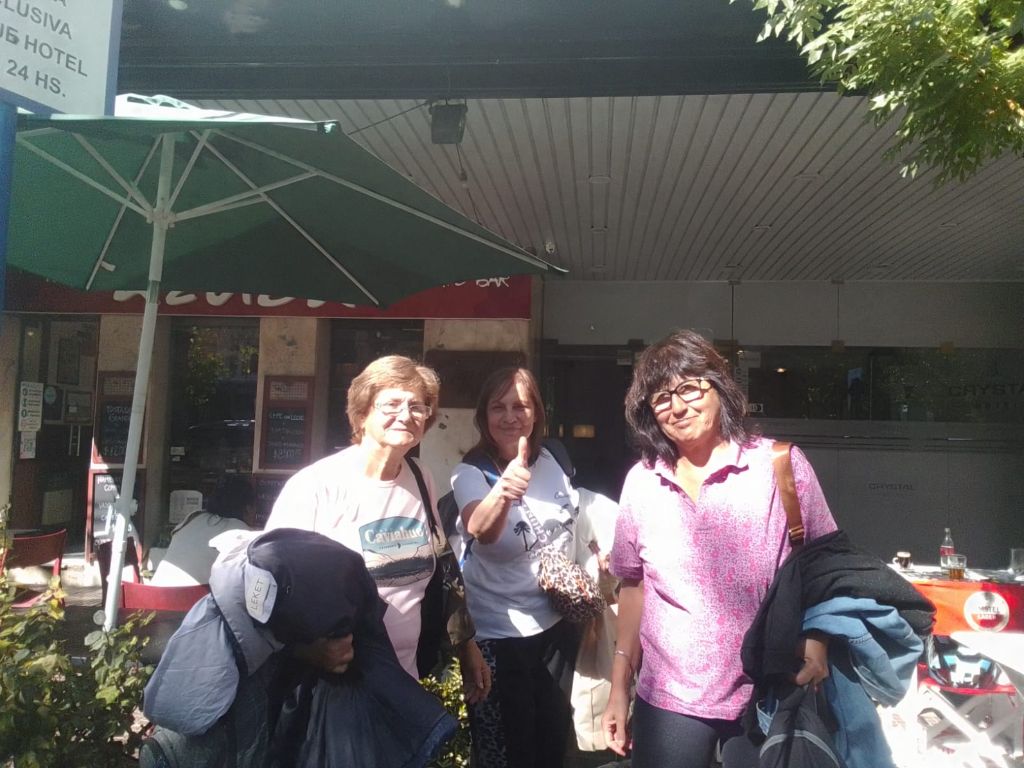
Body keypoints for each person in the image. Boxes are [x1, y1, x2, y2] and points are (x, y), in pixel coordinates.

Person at [601, 330, 838, 768]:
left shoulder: (779, 467)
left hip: (767, 688)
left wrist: (817, 638)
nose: (677, 406)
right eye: (661, 398)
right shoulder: (643, 482)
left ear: (719, 388)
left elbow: (824, 565)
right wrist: (619, 686)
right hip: (669, 699)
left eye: (689, 388)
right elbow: (633, 585)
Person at [265, 355, 490, 701]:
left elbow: (444, 565)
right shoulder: (316, 485)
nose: (406, 414)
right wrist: (308, 650)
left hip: (403, 681)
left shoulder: (421, 477)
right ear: (362, 412)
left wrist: (465, 644)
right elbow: (265, 587)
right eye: (392, 404)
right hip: (336, 689)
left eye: (417, 406)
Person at [450, 366, 580, 768]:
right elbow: (481, 529)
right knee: (508, 753)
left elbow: (574, 514)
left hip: (556, 627)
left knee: (552, 744)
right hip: (499, 639)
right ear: (483, 416)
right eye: (498, 407)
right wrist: (504, 490)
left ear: (536, 412)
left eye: (520, 406)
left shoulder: (555, 457)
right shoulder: (469, 473)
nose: (510, 416)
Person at [150, 474, 257, 586]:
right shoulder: (242, 532)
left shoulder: (193, 517)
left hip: (153, 592)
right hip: (193, 596)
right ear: (248, 508)